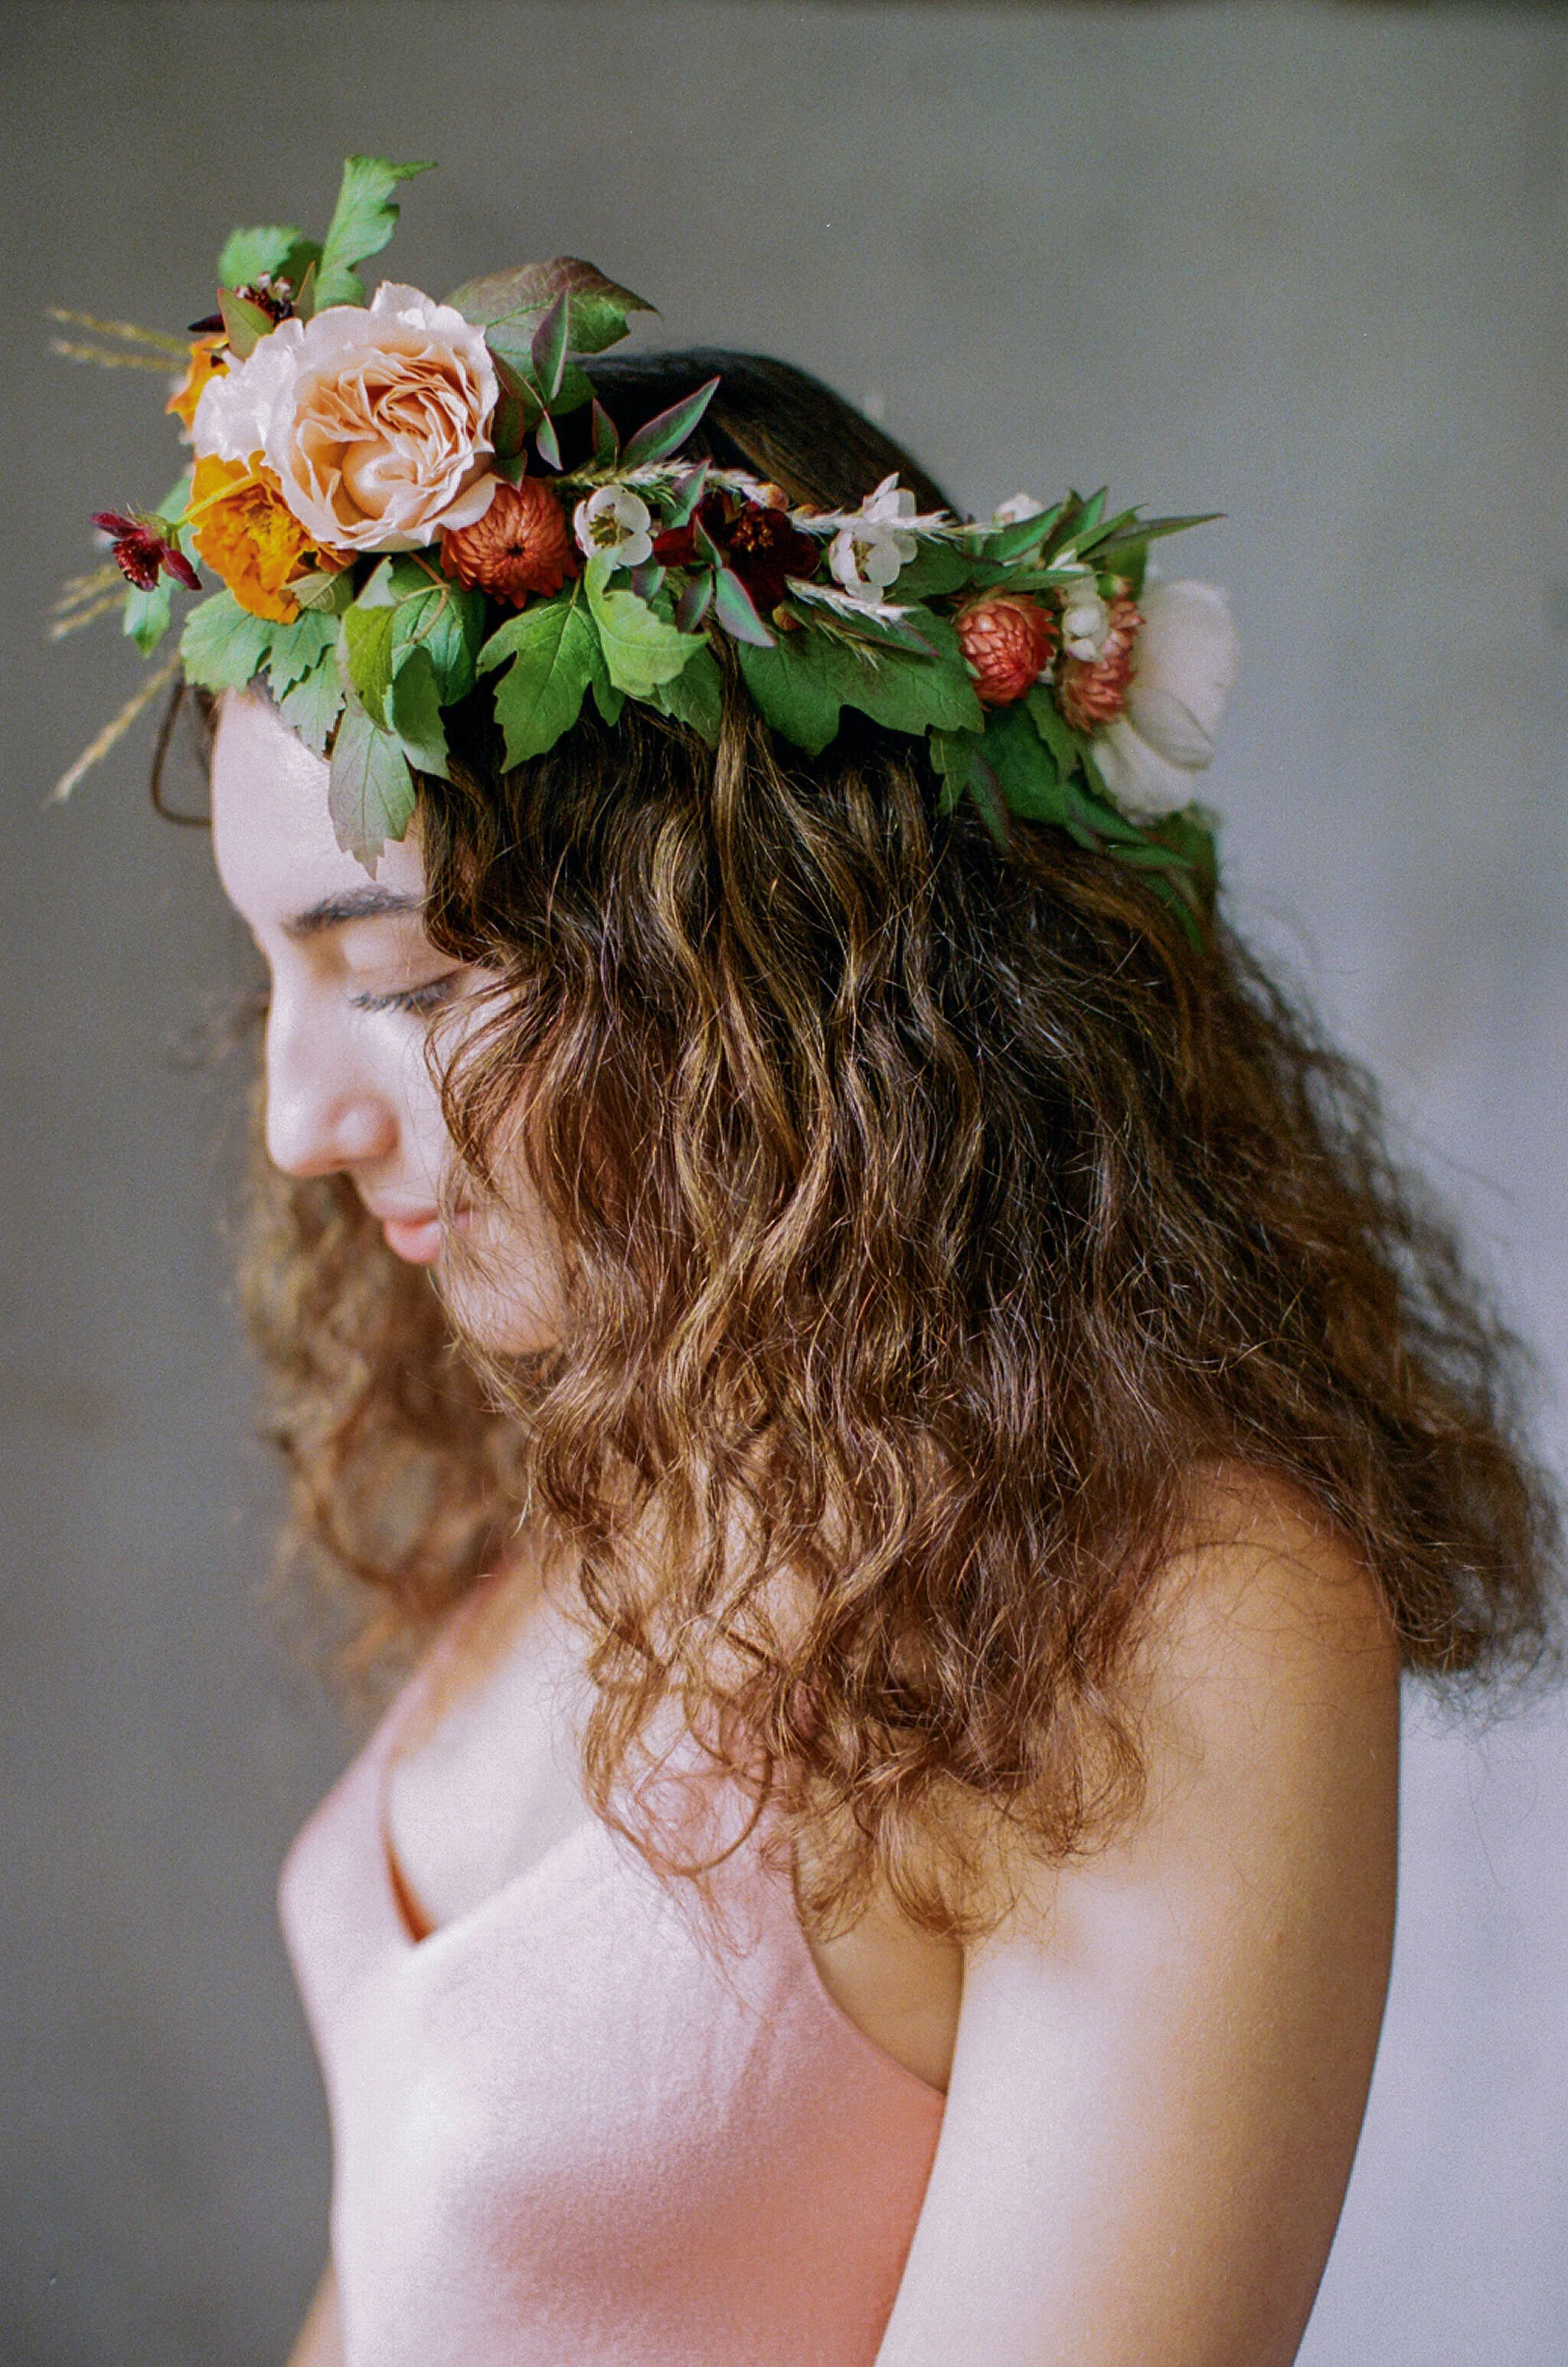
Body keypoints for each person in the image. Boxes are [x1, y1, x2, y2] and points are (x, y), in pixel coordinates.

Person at [66, 162, 1556, 2367]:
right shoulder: (618, 1430)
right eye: (272, 984)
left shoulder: (1170, 1625)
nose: (299, 1123)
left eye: (389, 975)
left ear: (764, 954)